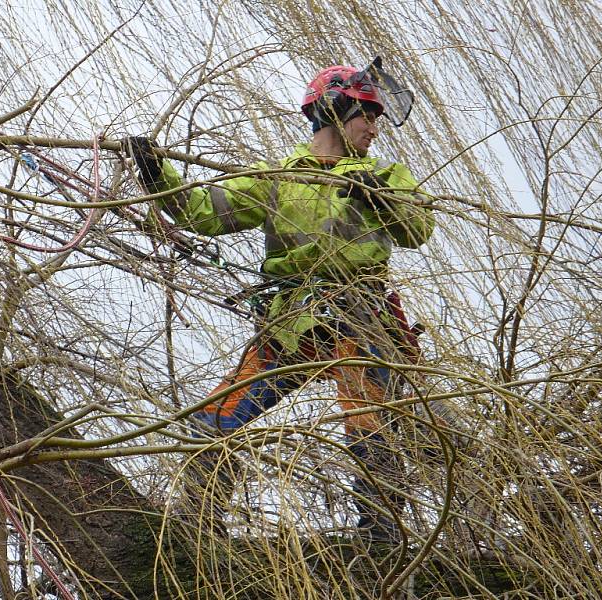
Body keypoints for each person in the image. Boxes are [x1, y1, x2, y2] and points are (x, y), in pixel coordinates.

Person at [125, 60, 434, 543]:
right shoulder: (277, 179)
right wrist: (155, 172)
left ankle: (381, 532)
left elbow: (417, 228)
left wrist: (377, 196)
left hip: (362, 318)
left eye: (376, 117)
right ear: (336, 110)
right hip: (291, 319)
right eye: (366, 116)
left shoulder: (387, 176)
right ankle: (196, 517)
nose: (374, 128)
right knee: (222, 414)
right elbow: (204, 213)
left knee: (369, 421)